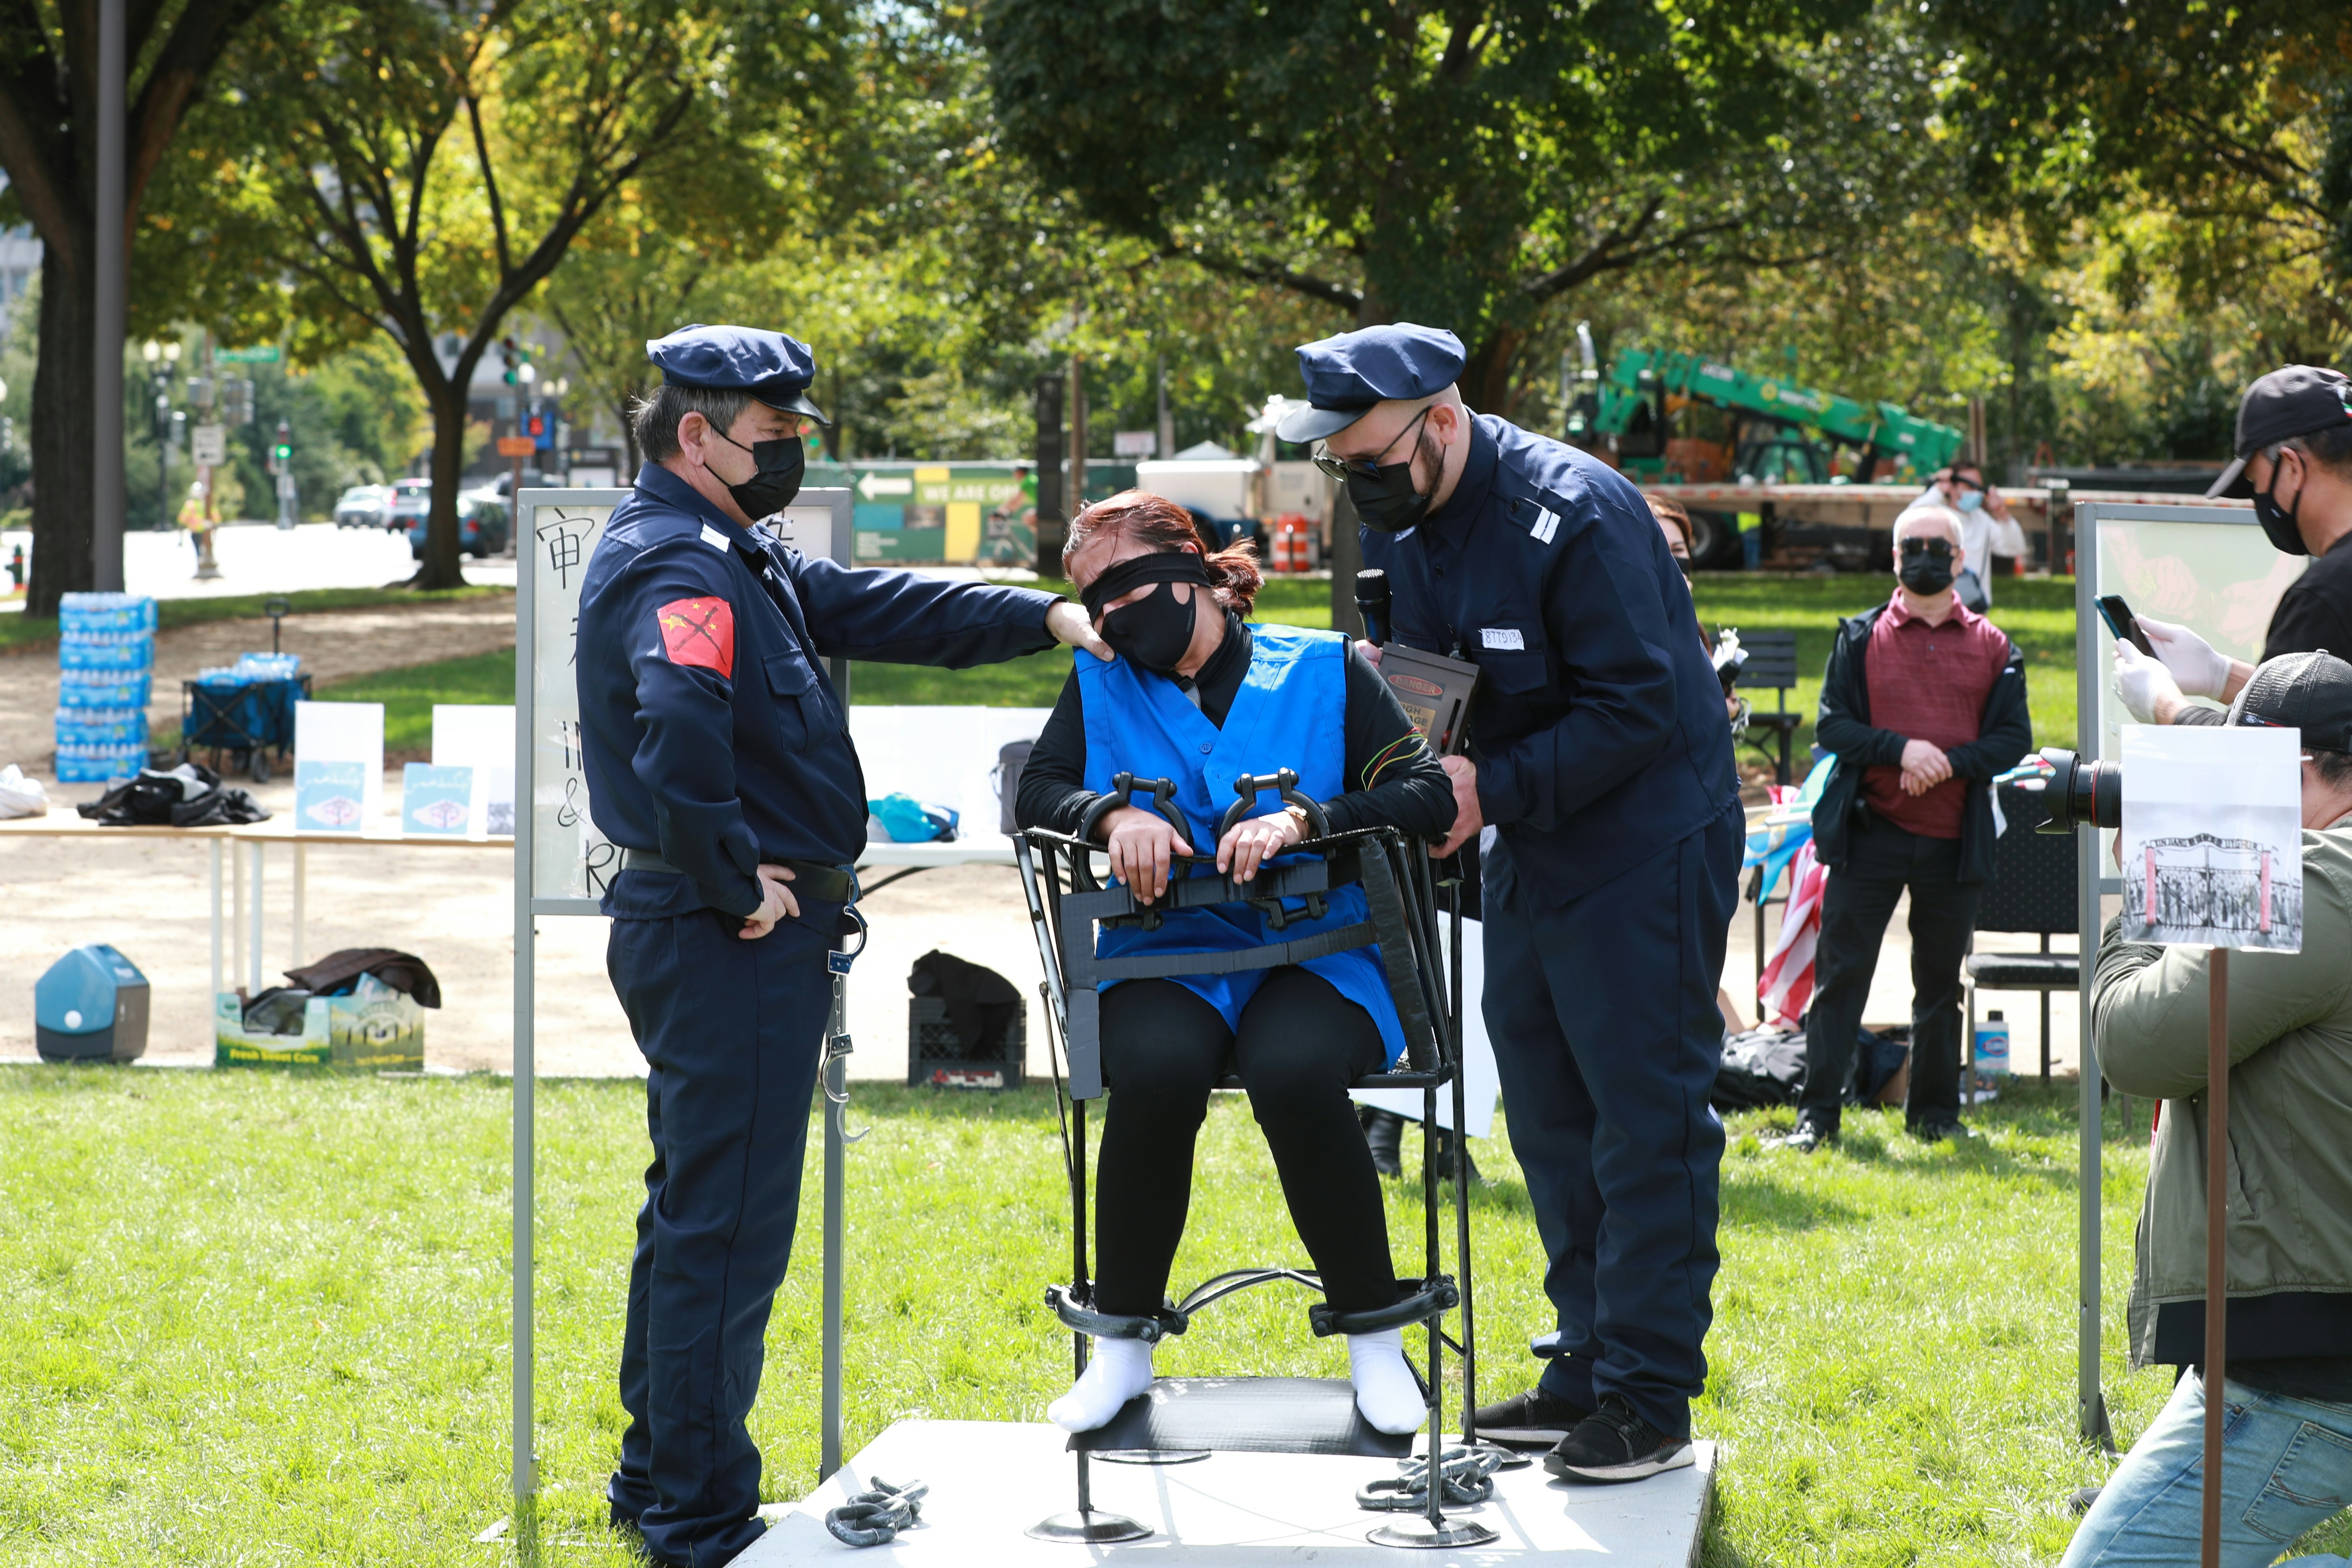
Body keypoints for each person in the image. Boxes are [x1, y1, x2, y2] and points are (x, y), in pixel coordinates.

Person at [574, 324, 1110, 1568]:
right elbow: (675, 717)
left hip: (718, 929)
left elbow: (875, 603)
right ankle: (700, 1518)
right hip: (728, 936)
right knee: (731, 1228)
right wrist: (732, 878)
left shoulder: (731, 546)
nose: (793, 458)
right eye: (774, 439)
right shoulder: (680, 564)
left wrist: (1041, 617)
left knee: (694, 1212)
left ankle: (656, 1472)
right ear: (695, 434)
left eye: (802, 437)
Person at [1278, 323, 1742, 1482]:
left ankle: (1648, 1397)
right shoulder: (1421, 519)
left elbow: (1636, 708)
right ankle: (1587, 1360)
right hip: (1527, 846)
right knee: (1545, 1112)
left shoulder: (1576, 510)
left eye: (1366, 455)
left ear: (1440, 421)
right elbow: (1443, 684)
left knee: (1647, 1118)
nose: (1351, 479)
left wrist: (1492, 784)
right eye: (1334, 462)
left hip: (1643, 844)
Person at [1014, 489, 1455, 1436]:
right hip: (1165, 951)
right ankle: (1122, 1349)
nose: (1112, 619)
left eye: (1126, 588)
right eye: (1094, 602)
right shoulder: (1101, 681)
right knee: (1157, 1070)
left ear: (1194, 568)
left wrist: (1309, 820)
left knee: (1293, 1069)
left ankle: (1377, 1338)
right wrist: (1111, 815)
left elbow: (1423, 794)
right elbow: (1039, 788)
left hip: (1320, 954)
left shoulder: (1328, 670)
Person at [2063, 649, 2352, 1566]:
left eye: (2243, 772)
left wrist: (2146, 898)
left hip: (2307, 1367)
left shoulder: (2317, 886)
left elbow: (2139, 1044)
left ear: (2297, 771)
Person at [1775, 505, 2030, 1152]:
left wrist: (1946, 763)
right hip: (1873, 833)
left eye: (1937, 547)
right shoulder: (1859, 637)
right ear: (1893, 559)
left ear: (1961, 559)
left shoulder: (1995, 647)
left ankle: (1935, 1116)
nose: (1924, 556)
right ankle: (1818, 1119)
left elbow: (2012, 741)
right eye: (1910, 546)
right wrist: (1900, 751)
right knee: (1840, 981)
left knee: (1941, 988)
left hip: (1954, 841)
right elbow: (1832, 725)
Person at [2115, 366, 2352, 728]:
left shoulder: (2321, 600)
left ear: (2291, 468)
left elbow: (2258, 761)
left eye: (2256, 481)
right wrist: (2222, 676)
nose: (2258, 498)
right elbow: (2328, 713)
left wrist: (2163, 704)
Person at [1896, 461, 2028, 611]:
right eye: (1970, 486)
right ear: (1952, 487)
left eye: (1979, 487)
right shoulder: (1935, 516)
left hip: (1973, 610)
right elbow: (1905, 523)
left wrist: (2002, 515)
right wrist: (1937, 490)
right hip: (1936, 609)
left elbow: (2015, 548)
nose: (1976, 492)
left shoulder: (1982, 519)